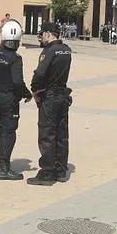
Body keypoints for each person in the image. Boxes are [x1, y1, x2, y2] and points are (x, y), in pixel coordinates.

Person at [0, 19, 32, 180]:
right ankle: (4, 167)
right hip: (9, 100)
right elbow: (18, 82)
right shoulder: (15, 58)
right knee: (8, 132)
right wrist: (26, 94)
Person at [27, 22, 73, 186]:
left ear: (48, 34)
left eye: (42, 35)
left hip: (50, 96)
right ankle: (61, 170)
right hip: (63, 95)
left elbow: (40, 73)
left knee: (47, 134)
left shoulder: (49, 51)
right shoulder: (66, 49)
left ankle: (47, 172)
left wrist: (35, 90)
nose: (41, 38)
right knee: (62, 134)